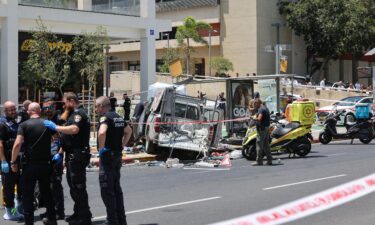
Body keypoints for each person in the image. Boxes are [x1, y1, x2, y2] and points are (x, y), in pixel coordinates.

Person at [43, 92, 92, 225]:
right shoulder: (72, 114)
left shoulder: (79, 114)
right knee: (73, 187)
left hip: (77, 156)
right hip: (71, 156)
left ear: (71, 101)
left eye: (65, 103)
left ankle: (84, 217)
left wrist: (56, 127)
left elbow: (74, 129)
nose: (64, 105)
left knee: (78, 187)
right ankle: (78, 213)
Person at [10, 102, 57, 225]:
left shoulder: (24, 125)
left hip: (30, 165)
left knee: (27, 195)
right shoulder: (47, 124)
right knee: (47, 194)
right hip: (45, 164)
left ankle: (29, 222)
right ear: (40, 111)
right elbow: (57, 137)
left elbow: (17, 143)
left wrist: (13, 161)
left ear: (28, 112)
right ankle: (52, 219)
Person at [96, 96, 132, 225]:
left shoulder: (105, 118)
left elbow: (101, 132)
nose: (96, 110)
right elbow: (128, 131)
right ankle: (121, 220)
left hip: (108, 156)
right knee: (116, 188)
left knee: (107, 189)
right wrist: (122, 145)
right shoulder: (118, 117)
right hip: (117, 155)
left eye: (97, 107)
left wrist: (101, 148)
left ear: (101, 106)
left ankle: (112, 220)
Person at [39, 101, 65, 220]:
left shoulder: (59, 119)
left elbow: (64, 139)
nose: (47, 110)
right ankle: (51, 210)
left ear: (54, 107)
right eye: (44, 108)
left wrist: (60, 154)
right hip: (47, 155)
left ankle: (59, 211)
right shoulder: (46, 119)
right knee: (48, 185)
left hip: (56, 155)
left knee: (56, 185)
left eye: (49, 108)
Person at [0, 101, 24, 221]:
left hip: (16, 159)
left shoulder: (13, 122)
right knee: (9, 188)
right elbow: (0, 145)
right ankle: (9, 212)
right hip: (8, 160)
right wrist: (3, 161)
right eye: (11, 110)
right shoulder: (2, 123)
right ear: (5, 111)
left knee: (17, 185)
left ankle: (16, 210)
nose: (14, 111)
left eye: (14, 109)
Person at [252, 101, 272, 166]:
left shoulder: (261, 109)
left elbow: (259, 118)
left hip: (262, 129)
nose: (254, 106)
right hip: (266, 128)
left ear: (258, 103)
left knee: (259, 145)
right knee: (266, 145)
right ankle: (269, 160)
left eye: (255, 104)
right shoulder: (265, 108)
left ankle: (259, 161)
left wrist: (253, 118)